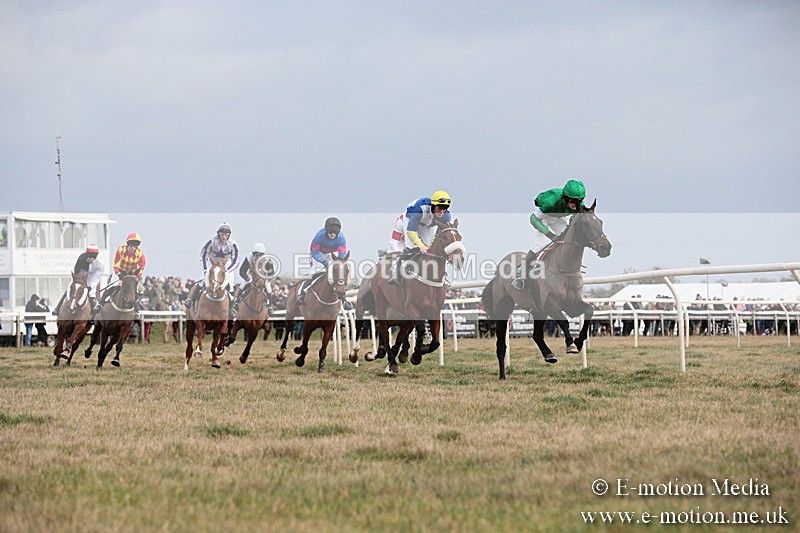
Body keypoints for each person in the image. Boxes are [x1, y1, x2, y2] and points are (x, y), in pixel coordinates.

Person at [511, 179, 587, 290]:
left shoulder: (580, 205)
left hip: (558, 218)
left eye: (579, 201)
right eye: (573, 201)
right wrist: (549, 234)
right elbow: (533, 219)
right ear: (565, 198)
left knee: (567, 240)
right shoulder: (550, 202)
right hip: (543, 218)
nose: (576, 205)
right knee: (541, 244)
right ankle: (521, 273)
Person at [387, 190, 452, 285]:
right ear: (433, 205)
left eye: (444, 209)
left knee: (431, 248)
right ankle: (395, 272)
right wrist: (420, 245)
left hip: (427, 225)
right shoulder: (420, 209)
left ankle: (440, 276)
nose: (441, 212)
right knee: (411, 248)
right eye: (439, 208)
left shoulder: (446, 217)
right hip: (410, 221)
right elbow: (410, 231)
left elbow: (441, 234)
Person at [184, 223, 240, 317]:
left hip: (226, 265)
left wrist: (227, 270)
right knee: (202, 281)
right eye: (222, 234)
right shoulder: (211, 241)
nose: (224, 236)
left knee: (230, 286)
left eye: (226, 235)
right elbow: (203, 255)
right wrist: (206, 269)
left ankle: (232, 309)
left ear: (229, 235)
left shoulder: (233, 244)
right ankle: (191, 300)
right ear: (218, 234)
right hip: (212, 263)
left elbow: (236, 259)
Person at [297, 217, 348, 306]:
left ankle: (344, 300)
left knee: (340, 274)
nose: (332, 234)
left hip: (331, 254)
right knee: (313, 274)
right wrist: (322, 261)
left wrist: (339, 263)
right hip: (318, 254)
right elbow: (313, 251)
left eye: (335, 233)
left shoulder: (341, 238)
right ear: (326, 230)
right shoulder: (319, 236)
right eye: (330, 232)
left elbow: (342, 254)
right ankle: (302, 294)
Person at [95, 232, 147, 318]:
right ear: (128, 245)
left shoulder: (140, 254)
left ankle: (136, 311)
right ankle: (100, 304)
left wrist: (135, 277)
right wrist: (119, 274)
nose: (132, 248)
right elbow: (115, 264)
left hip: (132, 275)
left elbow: (142, 267)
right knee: (110, 287)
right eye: (131, 246)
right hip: (120, 272)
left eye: (134, 246)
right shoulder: (121, 250)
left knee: (135, 290)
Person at [52, 244, 105, 316]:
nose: (92, 259)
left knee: (92, 293)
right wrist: (78, 281)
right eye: (90, 256)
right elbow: (76, 272)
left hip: (92, 277)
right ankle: (57, 308)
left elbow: (97, 277)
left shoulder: (100, 264)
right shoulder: (81, 259)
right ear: (87, 255)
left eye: (94, 257)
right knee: (70, 289)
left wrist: (90, 286)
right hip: (80, 275)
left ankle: (94, 314)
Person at [231, 242, 274, 317]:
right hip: (251, 275)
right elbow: (242, 271)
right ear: (253, 254)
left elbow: (271, 273)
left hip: (263, 276)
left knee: (269, 289)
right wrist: (249, 279)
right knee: (242, 285)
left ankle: (270, 306)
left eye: (260, 255)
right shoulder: (248, 258)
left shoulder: (267, 260)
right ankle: (236, 303)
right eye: (257, 254)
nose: (258, 256)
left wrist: (266, 280)